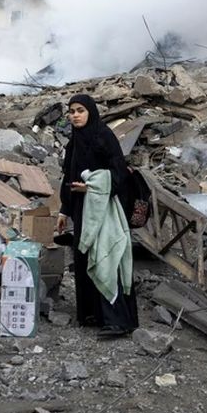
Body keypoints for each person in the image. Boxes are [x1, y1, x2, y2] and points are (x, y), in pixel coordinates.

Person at [56, 94, 138, 338]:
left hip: (104, 208)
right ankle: (93, 314)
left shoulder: (103, 136)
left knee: (105, 257)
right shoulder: (75, 141)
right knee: (84, 258)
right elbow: (69, 176)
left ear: (90, 111)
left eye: (80, 110)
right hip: (82, 209)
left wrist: (91, 187)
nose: (75, 115)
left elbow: (119, 172)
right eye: (72, 111)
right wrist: (64, 210)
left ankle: (117, 321)